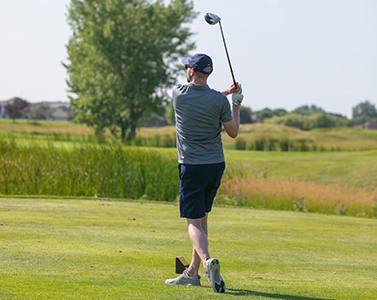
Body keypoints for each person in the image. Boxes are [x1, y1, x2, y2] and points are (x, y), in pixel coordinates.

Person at [165, 53, 243, 293]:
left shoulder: (179, 93)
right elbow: (233, 132)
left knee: (192, 221)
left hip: (192, 165)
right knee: (203, 217)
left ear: (190, 71)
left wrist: (227, 95)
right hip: (215, 165)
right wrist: (235, 101)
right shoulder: (218, 101)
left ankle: (208, 261)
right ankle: (192, 274)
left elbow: (199, 95)